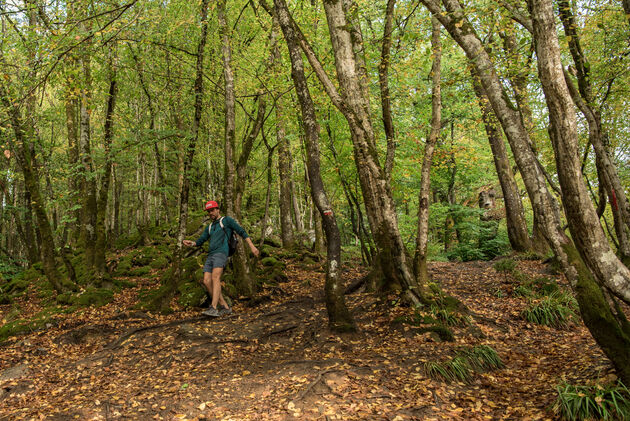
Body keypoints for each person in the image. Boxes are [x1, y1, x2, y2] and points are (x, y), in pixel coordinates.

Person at [183, 200, 260, 317]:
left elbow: (241, 231)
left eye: (212, 210)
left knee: (215, 277)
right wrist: (192, 243)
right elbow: (200, 240)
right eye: (209, 211)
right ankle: (225, 306)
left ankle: (213, 307)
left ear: (218, 209)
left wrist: (252, 246)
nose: (211, 213)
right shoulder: (209, 227)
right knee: (206, 281)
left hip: (221, 253)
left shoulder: (226, 221)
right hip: (211, 255)